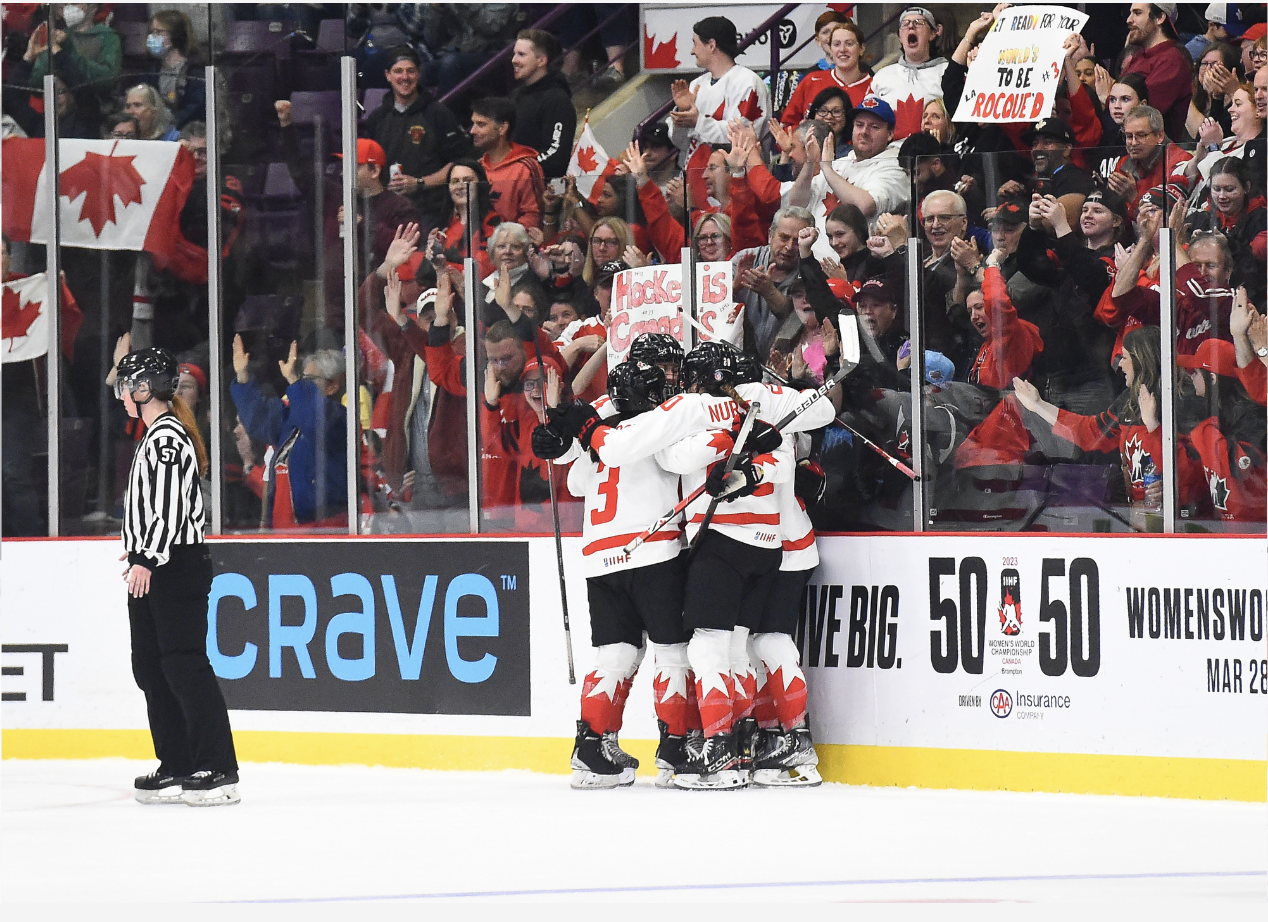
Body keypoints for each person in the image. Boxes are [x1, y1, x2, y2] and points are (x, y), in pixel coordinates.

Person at [531, 349, 697, 789]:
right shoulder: (661, 420)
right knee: (673, 651)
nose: (668, 379)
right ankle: (677, 749)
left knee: (616, 653)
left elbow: (574, 481)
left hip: (600, 556)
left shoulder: (600, 421)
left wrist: (557, 432)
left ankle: (592, 748)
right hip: (653, 549)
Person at [114, 347, 239, 807]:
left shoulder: (167, 438)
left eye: (127, 386)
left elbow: (168, 509)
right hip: (154, 563)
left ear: (145, 389)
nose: (121, 394)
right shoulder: (154, 435)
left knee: (184, 663)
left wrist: (147, 556)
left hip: (173, 565)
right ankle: (178, 763)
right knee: (150, 665)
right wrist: (139, 550)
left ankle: (219, 768)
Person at [1015, 325, 1165, 517]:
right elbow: (1090, 432)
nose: (1119, 364)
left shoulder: (1178, 401)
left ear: (1141, 360)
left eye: (1125, 357)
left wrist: (1154, 427)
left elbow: (1191, 468)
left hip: (1175, 520)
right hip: (1141, 516)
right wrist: (1039, 405)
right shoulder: (1127, 402)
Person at [230, 336, 348, 527]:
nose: (303, 384)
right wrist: (243, 375)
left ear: (333, 386)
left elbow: (313, 423)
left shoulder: (339, 419)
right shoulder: (293, 417)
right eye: (303, 378)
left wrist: (293, 381)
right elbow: (259, 418)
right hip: (283, 529)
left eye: (309, 380)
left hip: (322, 529)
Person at [787, 96, 909, 260]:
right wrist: (810, 164)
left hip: (856, 265)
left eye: (874, 127)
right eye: (859, 125)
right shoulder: (841, 162)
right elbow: (797, 204)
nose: (864, 132)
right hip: (812, 262)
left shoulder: (894, 166)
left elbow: (864, 206)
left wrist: (826, 168)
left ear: (890, 134)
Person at [361, 46, 471, 229]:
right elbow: (368, 166)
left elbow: (460, 163)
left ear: (419, 74)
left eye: (410, 71)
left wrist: (420, 183)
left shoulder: (438, 114)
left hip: (430, 213)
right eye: (398, 71)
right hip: (388, 213)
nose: (405, 77)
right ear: (388, 75)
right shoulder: (377, 118)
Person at [1175, 337, 1267, 522]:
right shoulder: (1218, 416)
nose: (1191, 377)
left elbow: (1239, 469)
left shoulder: (1253, 418)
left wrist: (1202, 428)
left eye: (1195, 372)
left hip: (1257, 534)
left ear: (1212, 378)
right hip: (1226, 531)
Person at [667, 15, 771, 158]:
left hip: (736, 171)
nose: (692, 51)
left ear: (711, 45)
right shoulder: (696, 85)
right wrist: (683, 113)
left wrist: (698, 121)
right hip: (696, 169)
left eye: (695, 44)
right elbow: (682, 144)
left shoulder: (748, 83)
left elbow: (743, 137)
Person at [733, 207, 816, 357]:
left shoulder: (811, 273)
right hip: (738, 359)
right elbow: (713, 307)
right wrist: (734, 288)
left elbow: (798, 323)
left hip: (783, 363)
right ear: (770, 235)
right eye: (784, 237)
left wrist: (769, 292)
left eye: (797, 241)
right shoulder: (744, 260)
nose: (789, 247)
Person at [1184, 156, 1266, 303]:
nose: (1222, 196)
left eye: (1229, 190)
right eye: (1216, 189)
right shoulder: (1201, 218)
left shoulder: (1261, 220)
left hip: (1250, 298)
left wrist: (1228, 245)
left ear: (1246, 187)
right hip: (1201, 296)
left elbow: (1256, 263)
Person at [334, 140, 421, 273]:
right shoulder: (343, 199)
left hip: (386, 281)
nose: (343, 173)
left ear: (374, 171)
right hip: (346, 280)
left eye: (353, 167)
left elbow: (408, 248)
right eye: (343, 167)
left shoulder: (400, 206)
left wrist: (362, 223)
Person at [868, 6, 948, 140]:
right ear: (900, 36)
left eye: (919, 22)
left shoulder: (948, 73)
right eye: (905, 24)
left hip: (933, 149)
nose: (911, 26)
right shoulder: (882, 76)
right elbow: (867, 119)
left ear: (933, 33)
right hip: (889, 150)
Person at [1120, 2, 1195, 142]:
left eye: (1137, 13)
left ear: (1160, 18)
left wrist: (1106, 95)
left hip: (1155, 151)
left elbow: (1141, 113)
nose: (1129, 20)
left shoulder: (1172, 60)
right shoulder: (1139, 56)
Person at [1103, 104, 1193, 219]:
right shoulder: (1124, 163)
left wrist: (1133, 198)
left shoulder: (1180, 163)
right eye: (1129, 136)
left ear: (1159, 135)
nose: (1133, 143)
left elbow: (1162, 220)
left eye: (1141, 135)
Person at [779, 21, 872, 129]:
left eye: (849, 44)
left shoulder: (875, 86)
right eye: (836, 44)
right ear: (831, 50)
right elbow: (787, 126)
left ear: (861, 48)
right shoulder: (811, 80)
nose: (842, 49)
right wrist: (802, 134)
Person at [471, 96, 546, 230]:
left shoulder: (525, 168)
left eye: (481, 125)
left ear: (502, 128)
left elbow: (534, 217)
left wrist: (503, 239)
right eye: (473, 124)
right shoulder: (476, 168)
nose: (472, 131)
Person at [510, 29, 576, 181]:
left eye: (521, 54)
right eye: (514, 54)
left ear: (541, 61)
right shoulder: (516, 97)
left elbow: (555, 156)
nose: (514, 60)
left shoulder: (557, 100)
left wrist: (517, 171)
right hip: (514, 185)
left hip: (544, 188)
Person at [1187, 84, 1265, 201]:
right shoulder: (1225, 142)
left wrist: (1213, 146)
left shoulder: (1256, 152)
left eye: (1238, 104)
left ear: (1258, 111)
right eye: (1232, 104)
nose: (1230, 109)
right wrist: (1197, 159)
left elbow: (1223, 183)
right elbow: (1181, 177)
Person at [141, 9, 203, 130]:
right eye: (152, 32)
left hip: (187, 130)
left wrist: (171, 123)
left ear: (176, 35)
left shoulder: (195, 70)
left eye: (159, 32)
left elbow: (195, 106)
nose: (153, 37)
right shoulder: (152, 70)